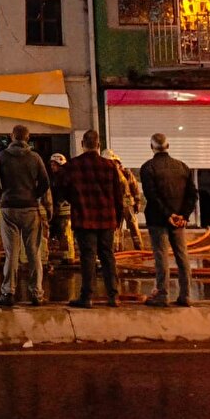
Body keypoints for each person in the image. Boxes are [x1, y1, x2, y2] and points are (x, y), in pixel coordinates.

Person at [52, 130, 125, 308]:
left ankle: (87, 297)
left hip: (84, 217)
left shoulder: (73, 166)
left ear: (82, 144)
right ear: (98, 145)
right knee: (108, 256)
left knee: (87, 257)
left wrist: (75, 200)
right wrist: (119, 218)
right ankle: (113, 295)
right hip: (107, 218)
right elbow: (118, 195)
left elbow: (60, 186)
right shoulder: (109, 166)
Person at [0, 125, 50, 307]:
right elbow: (45, 182)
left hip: (9, 208)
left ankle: (8, 292)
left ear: (12, 137)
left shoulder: (1, 157)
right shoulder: (35, 158)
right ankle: (37, 294)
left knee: (11, 253)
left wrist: (1, 198)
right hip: (30, 208)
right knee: (33, 252)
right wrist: (35, 195)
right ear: (28, 138)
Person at [139, 133, 198, 307]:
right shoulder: (182, 167)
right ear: (168, 146)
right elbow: (192, 195)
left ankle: (162, 294)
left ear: (152, 147)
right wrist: (184, 215)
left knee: (161, 256)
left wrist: (167, 215)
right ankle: (186, 295)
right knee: (182, 256)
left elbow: (152, 196)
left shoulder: (148, 168)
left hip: (158, 220)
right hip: (179, 221)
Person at [104, 149, 144, 251]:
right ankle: (117, 250)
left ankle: (139, 249)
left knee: (133, 227)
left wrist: (138, 201)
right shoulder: (107, 175)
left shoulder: (126, 173)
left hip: (127, 204)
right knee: (116, 229)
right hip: (115, 205)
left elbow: (134, 187)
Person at [49, 153, 76, 263]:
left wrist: (56, 207)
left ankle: (69, 257)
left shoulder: (63, 176)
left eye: (53, 164)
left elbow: (62, 193)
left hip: (64, 210)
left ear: (59, 164)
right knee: (62, 233)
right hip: (62, 209)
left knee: (66, 233)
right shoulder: (60, 175)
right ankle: (66, 256)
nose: (52, 167)